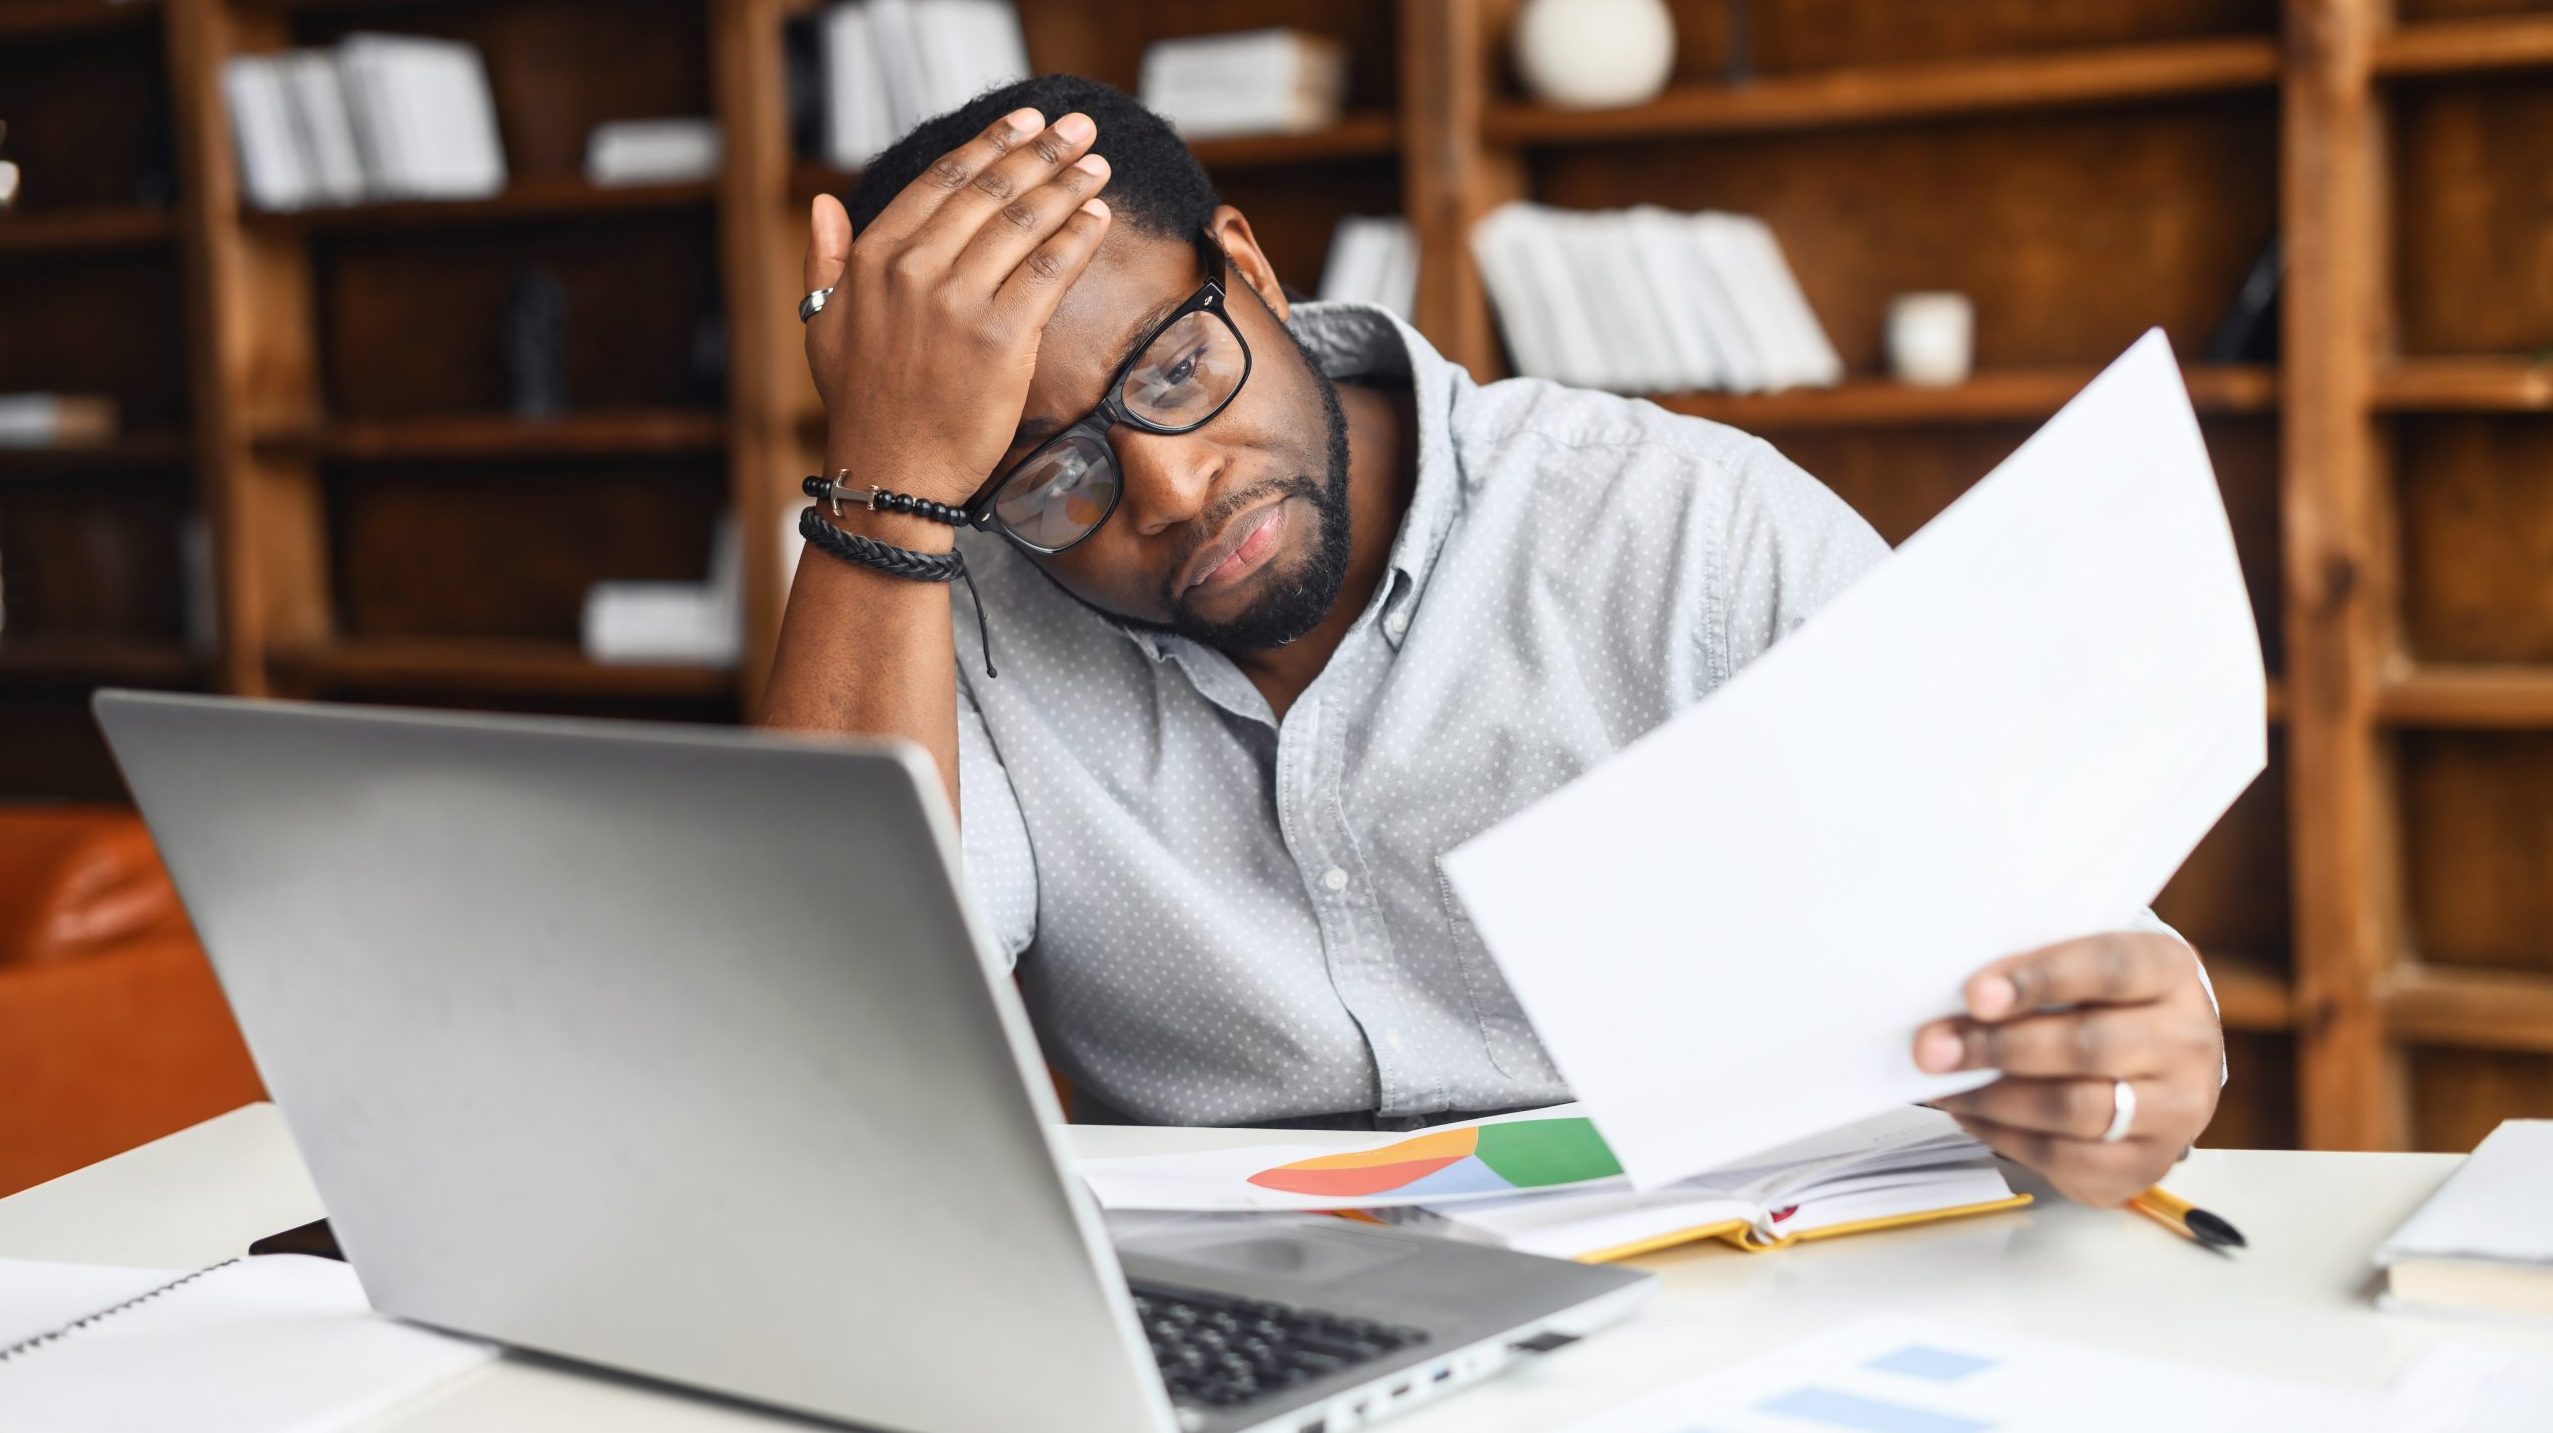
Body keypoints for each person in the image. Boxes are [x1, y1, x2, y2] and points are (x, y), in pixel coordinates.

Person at [762, 75, 2225, 1209]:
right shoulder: (928, 598)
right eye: (1046, 472)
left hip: (1719, 1311)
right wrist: (885, 483)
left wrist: (2126, 1064)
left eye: (1175, 367)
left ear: (1249, 269)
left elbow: (2049, 937)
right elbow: (820, 1046)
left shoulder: (1684, 529)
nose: (1166, 486)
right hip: (1247, 1348)